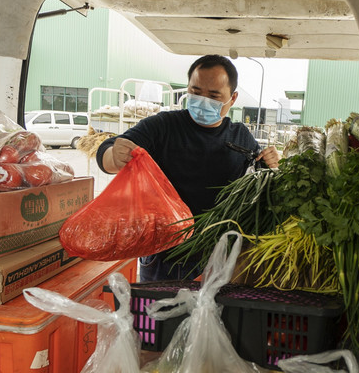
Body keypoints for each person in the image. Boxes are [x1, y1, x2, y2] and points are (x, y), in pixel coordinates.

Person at [97, 54, 280, 281]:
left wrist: (271, 163)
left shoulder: (240, 136)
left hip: (217, 256)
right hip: (163, 254)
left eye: (213, 96)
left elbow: (261, 177)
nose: (203, 100)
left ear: (232, 99)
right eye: (195, 92)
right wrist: (114, 156)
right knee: (158, 315)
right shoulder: (162, 125)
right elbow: (105, 151)